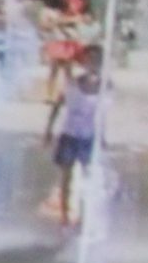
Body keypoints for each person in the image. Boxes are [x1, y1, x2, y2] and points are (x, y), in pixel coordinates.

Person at [44, 51, 105, 227]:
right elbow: (58, 105)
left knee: (88, 177)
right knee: (66, 177)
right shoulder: (73, 84)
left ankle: (85, 215)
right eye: (90, 60)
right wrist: (49, 130)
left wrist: (102, 136)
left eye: (96, 61)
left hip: (88, 137)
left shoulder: (104, 87)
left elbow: (102, 115)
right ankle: (65, 215)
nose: (92, 64)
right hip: (69, 134)